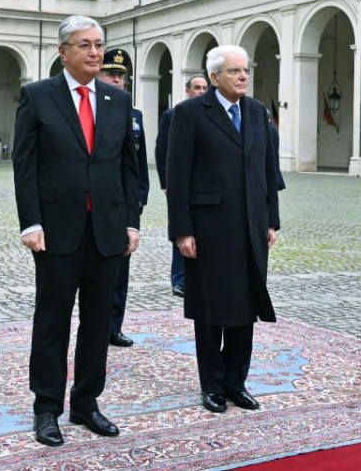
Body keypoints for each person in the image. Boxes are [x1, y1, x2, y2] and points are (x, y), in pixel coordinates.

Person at [13, 15, 141, 447]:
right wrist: (30, 222)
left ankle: (87, 403)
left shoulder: (116, 100)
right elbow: (25, 164)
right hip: (56, 230)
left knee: (97, 321)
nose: (94, 52)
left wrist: (130, 221)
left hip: (105, 230)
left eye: (98, 44)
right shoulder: (37, 96)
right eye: (84, 44)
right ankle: (46, 407)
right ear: (62, 51)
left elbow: (128, 166)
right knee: (52, 320)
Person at [166, 45, 279, 414]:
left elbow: (268, 171)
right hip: (209, 227)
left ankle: (236, 383)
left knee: (245, 307)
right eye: (234, 71)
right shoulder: (190, 114)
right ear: (215, 77)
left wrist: (271, 220)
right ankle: (211, 385)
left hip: (251, 226)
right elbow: (177, 176)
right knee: (211, 310)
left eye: (246, 70)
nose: (243, 76)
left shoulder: (258, 112)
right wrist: (182, 230)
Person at [95, 47, 150, 348]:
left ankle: (113, 326)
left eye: (120, 75)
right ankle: (94, 323)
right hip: (94, 201)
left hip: (124, 204)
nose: (116, 80)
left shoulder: (134, 114)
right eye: (110, 73)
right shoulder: (88, 109)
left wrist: (140, 197)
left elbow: (138, 163)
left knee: (121, 269)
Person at [155, 74, 208, 298]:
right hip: (180, 185)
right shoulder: (172, 114)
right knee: (180, 229)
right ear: (187, 91)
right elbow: (162, 151)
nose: (201, 91)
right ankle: (179, 279)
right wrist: (167, 183)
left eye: (205, 87)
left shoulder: (213, 115)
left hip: (204, 187)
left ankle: (201, 276)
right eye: (197, 87)